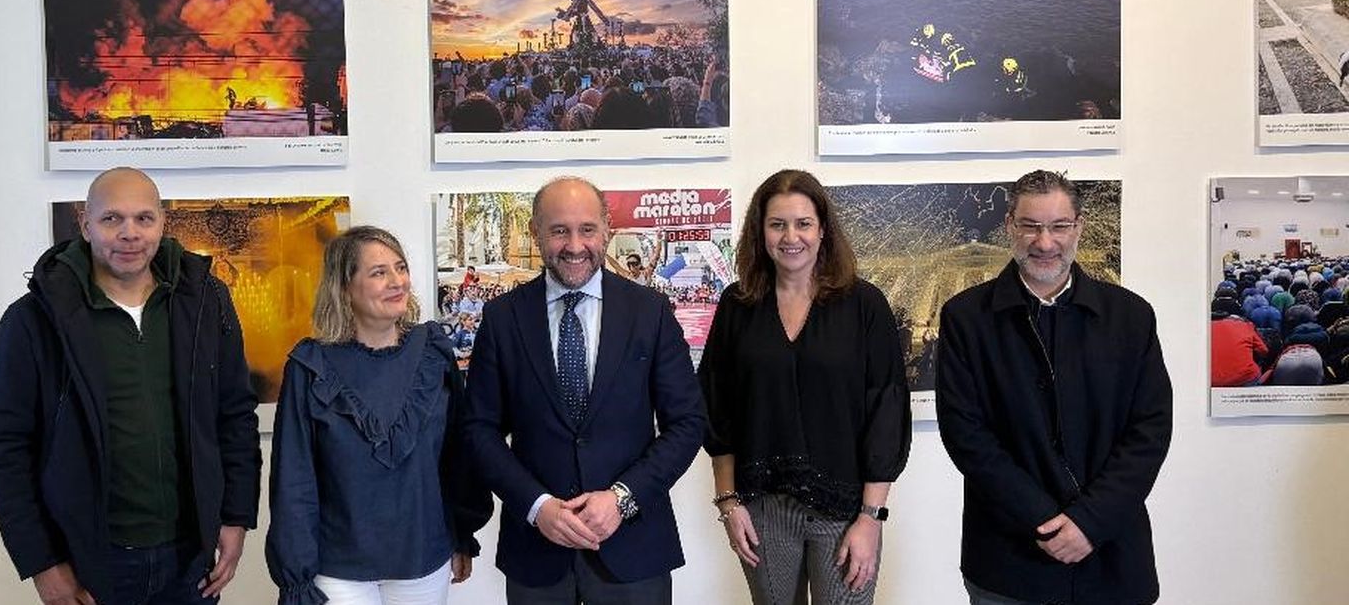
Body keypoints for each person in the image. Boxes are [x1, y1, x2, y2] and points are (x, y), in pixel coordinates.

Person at [0, 167, 261, 605]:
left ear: (162, 223)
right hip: (92, 563)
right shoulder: (33, 319)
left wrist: (236, 516)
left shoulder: (206, 301)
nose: (130, 233)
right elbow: (3, 448)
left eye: (144, 218)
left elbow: (235, 415)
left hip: (190, 558)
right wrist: (42, 563)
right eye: (112, 218)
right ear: (85, 225)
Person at [463, 176, 706, 604]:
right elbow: (479, 430)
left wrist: (622, 499)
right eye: (559, 230)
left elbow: (687, 423)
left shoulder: (649, 312)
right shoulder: (502, 318)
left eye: (587, 229)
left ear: (606, 230)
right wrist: (537, 505)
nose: (575, 245)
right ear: (537, 233)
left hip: (634, 548)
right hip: (536, 551)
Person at [936, 170, 1172, 605]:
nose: (1045, 243)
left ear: (1078, 227)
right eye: (1030, 226)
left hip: (1112, 556)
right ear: (1009, 226)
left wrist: (1090, 521)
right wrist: (1044, 521)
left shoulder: (1131, 316)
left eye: (1059, 226)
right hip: (1009, 562)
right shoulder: (966, 318)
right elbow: (965, 435)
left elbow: (1150, 431)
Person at [697, 169, 910, 605]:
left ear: (823, 229)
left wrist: (871, 518)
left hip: (846, 512)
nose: (790, 237)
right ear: (760, 232)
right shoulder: (738, 305)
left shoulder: (864, 304)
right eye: (777, 224)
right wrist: (727, 502)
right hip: (763, 511)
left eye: (803, 223)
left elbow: (886, 409)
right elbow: (718, 407)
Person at [267, 226, 491, 604]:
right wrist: (296, 576)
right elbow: (294, 480)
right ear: (344, 288)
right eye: (378, 272)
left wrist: (461, 533)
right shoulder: (311, 366)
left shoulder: (433, 352)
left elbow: (458, 458)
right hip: (338, 569)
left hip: (424, 559)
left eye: (400, 268)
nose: (397, 281)